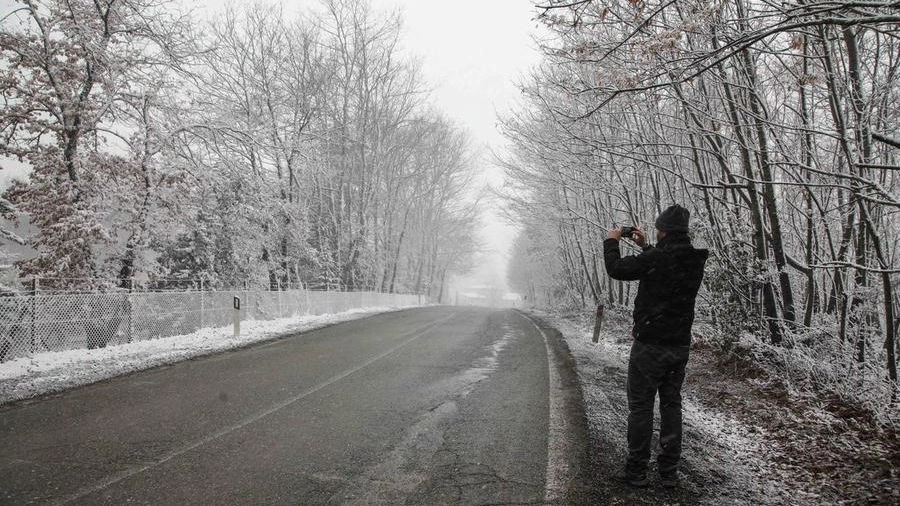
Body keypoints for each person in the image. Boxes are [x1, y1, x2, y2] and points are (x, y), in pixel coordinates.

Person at [603, 204, 709, 489]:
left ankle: (637, 470)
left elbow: (616, 269)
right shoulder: (694, 259)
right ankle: (669, 471)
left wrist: (612, 240)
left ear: (663, 230)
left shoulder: (657, 259)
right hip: (679, 346)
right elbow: (665, 266)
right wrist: (647, 245)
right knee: (672, 405)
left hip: (650, 345)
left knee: (640, 407)